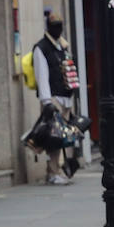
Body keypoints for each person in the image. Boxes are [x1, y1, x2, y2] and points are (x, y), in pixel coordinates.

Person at [32, 13, 79, 185]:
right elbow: (42, 75)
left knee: (62, 137)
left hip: (65, 97)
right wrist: (46, 102)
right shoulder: (41, 48)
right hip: (53, 99)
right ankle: (53, 172)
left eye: (60, 25)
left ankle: (58, 169)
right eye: (55, 26)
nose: (58, 29)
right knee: (53, 138)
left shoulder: (62, 47)